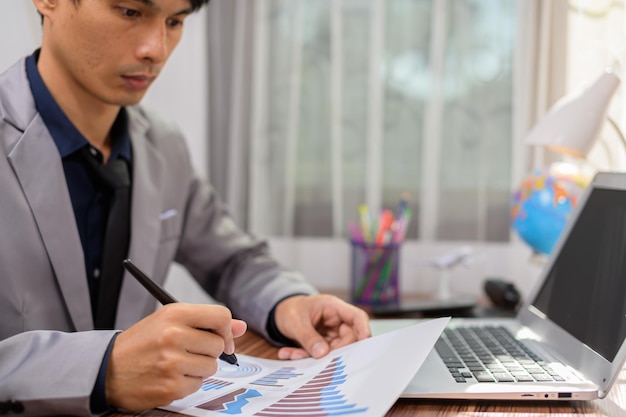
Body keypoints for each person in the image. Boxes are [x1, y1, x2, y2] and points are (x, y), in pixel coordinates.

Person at [0, 0, 371, 415]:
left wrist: (289, 303)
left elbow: (232, 260)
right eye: (129, 11)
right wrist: (100, 370)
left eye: (175, 21)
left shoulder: (163, 144)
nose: (155, 49)